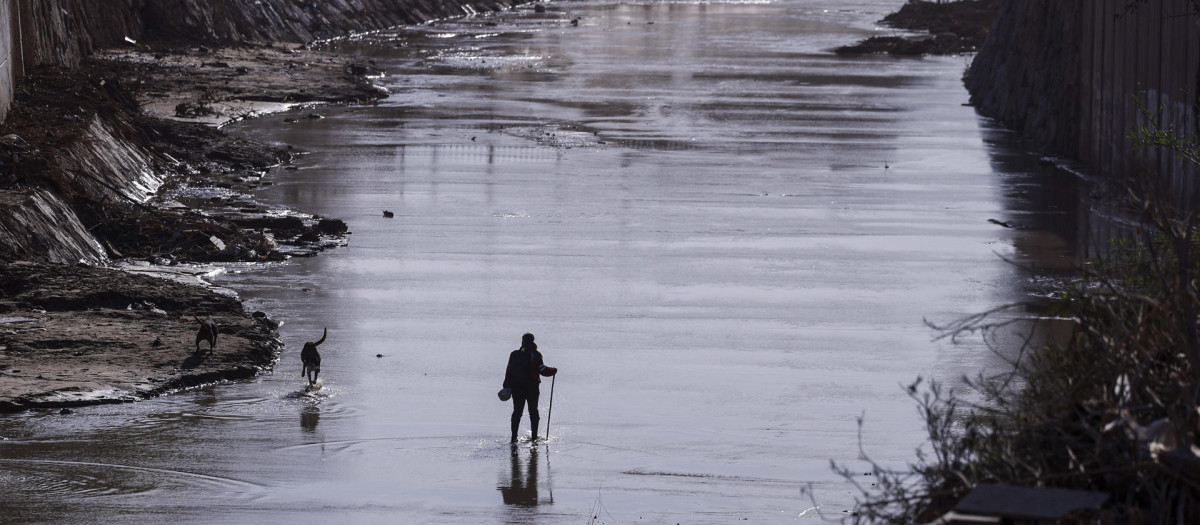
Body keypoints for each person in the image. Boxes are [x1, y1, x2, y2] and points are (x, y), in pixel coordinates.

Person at [503, 333, 557, 443]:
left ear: (522, 341)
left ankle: (514, 438)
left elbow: (508, 371)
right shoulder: (536, 355)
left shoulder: (514, 354)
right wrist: (553, 370)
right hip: (532, 387)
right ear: (533, 341)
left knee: (517, 412)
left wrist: (506, 386)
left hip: (517, 388)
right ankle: (534, 438)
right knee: (533, 411)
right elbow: (543, 370)